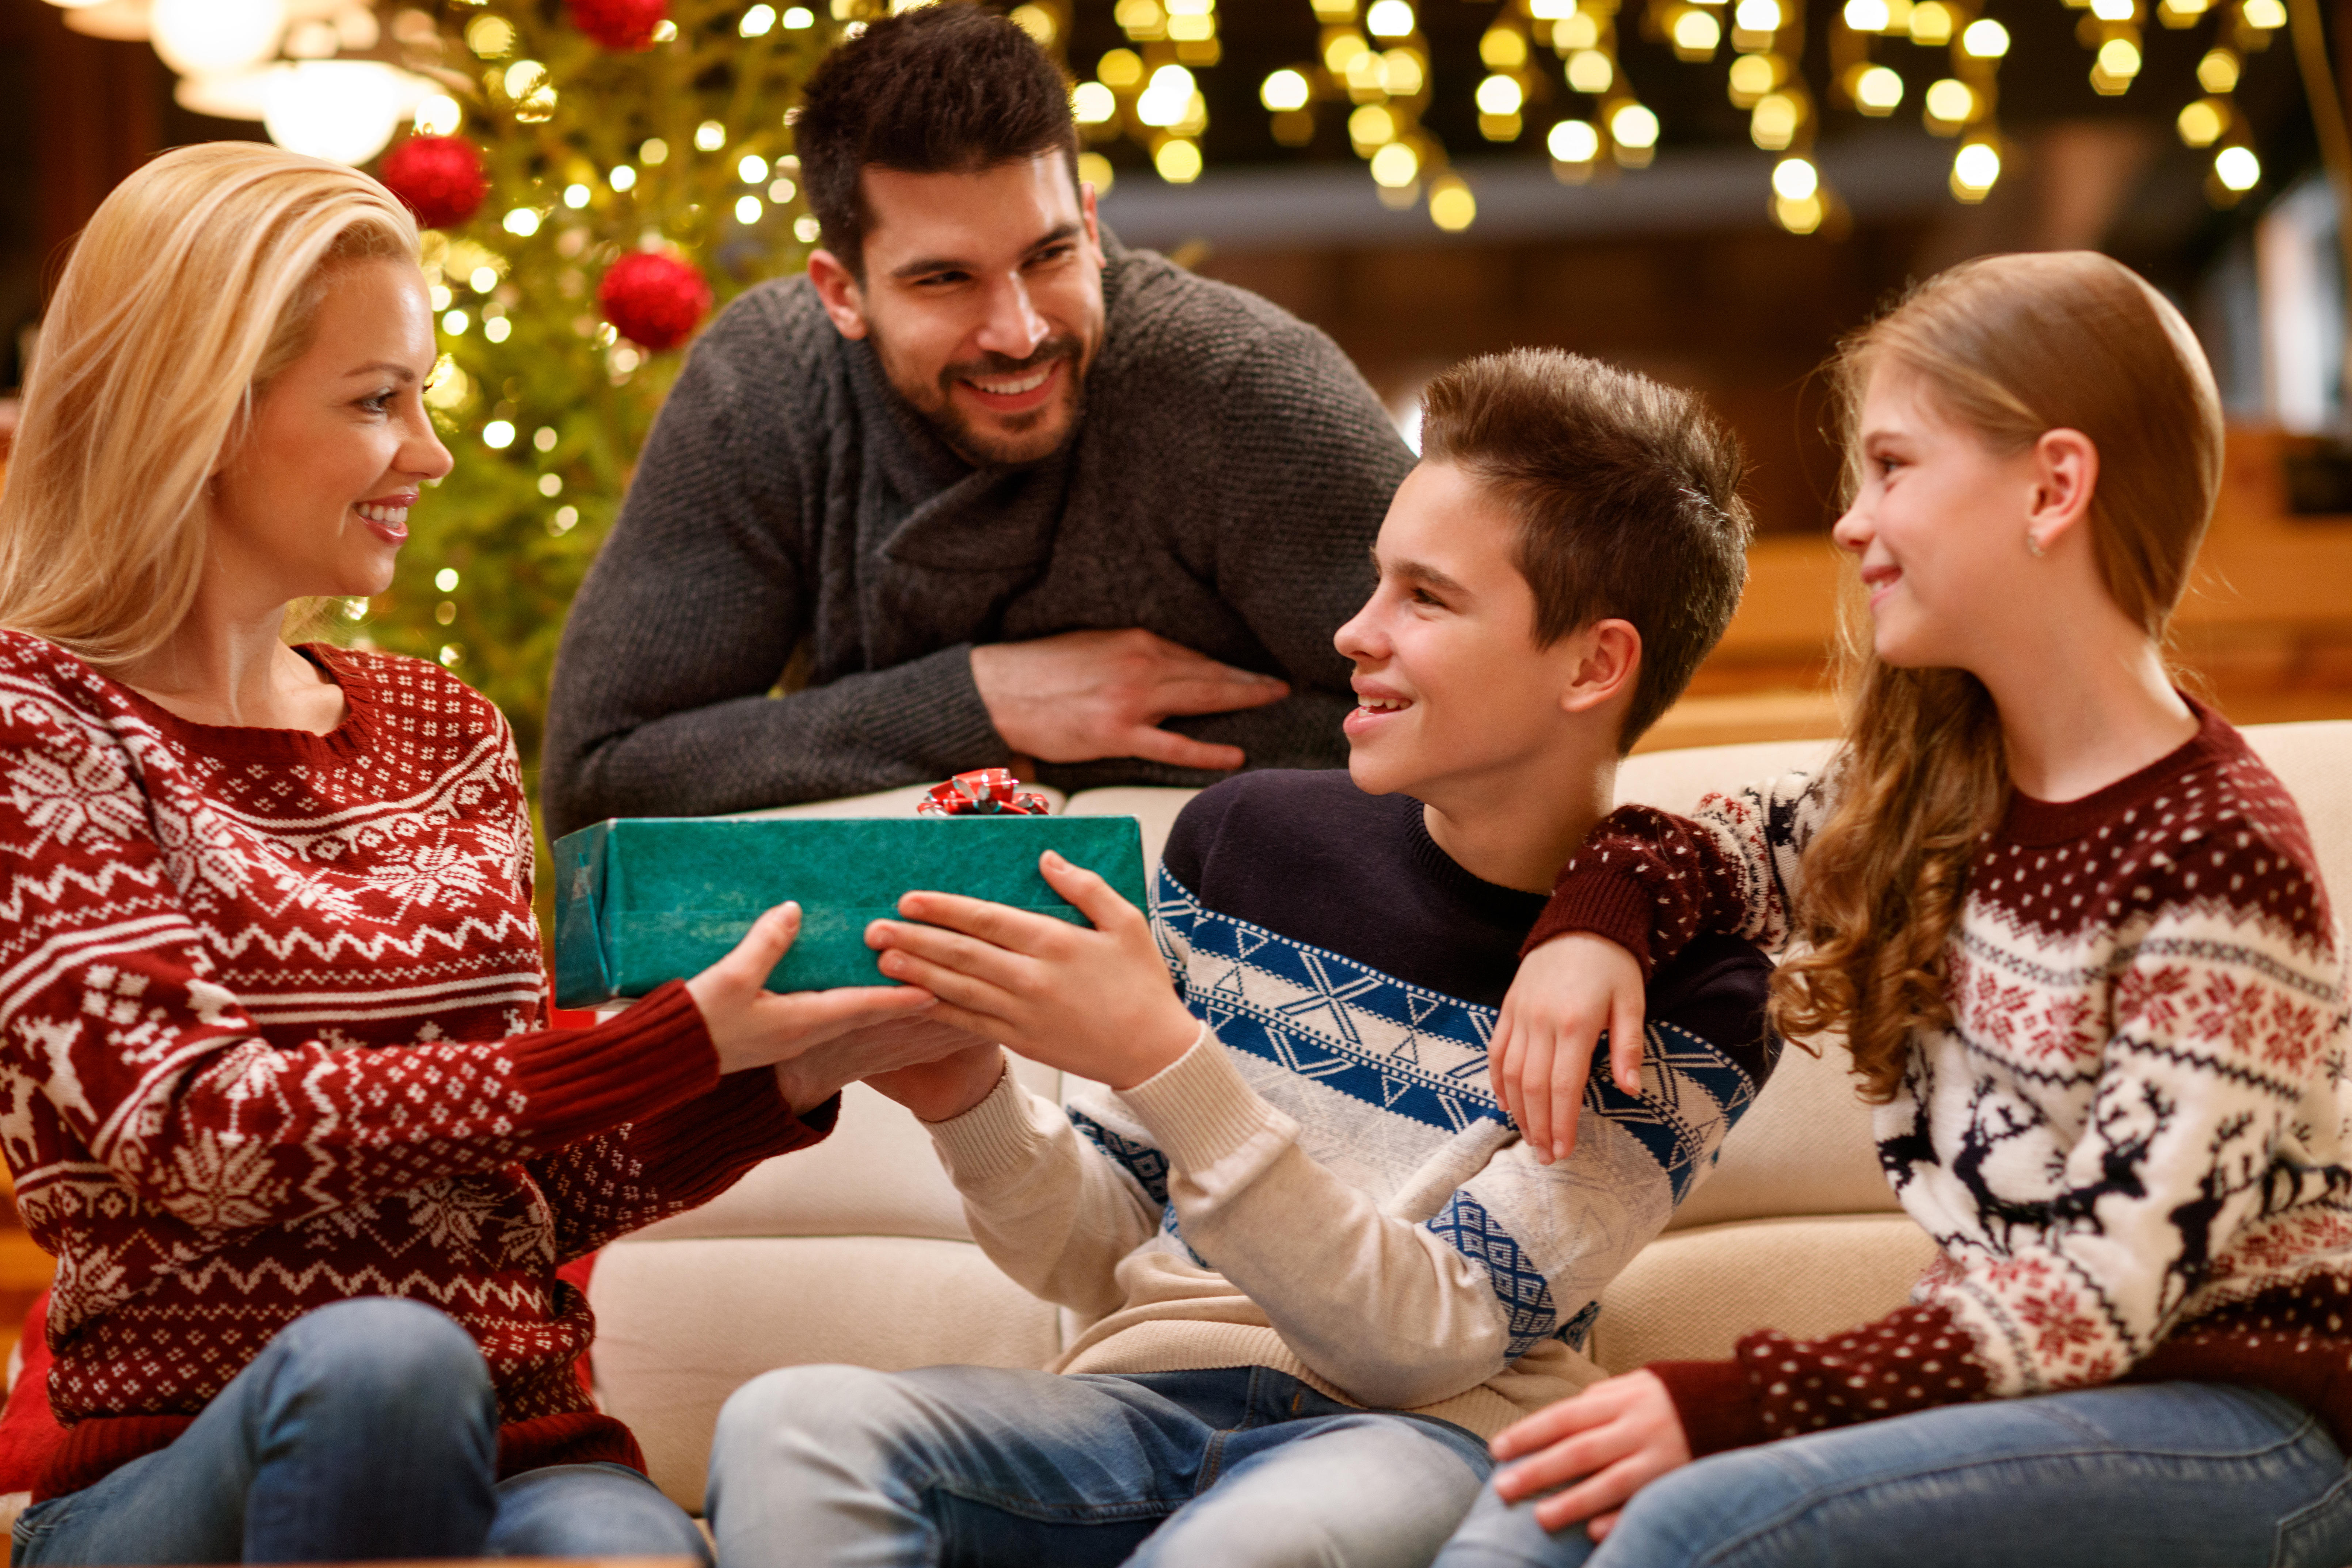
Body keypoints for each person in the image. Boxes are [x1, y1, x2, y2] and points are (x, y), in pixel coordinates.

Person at [0, 142, 964, 1565]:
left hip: (527, 1443)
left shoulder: (441, 730)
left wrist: (782, 1070)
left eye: (422, 397)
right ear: (202, 411)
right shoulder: (44, 721)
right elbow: (188, 1135)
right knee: (382, 1364)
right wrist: (657, 1043)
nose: (429, 453)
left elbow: (522, 1186)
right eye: (376, 400)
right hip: (175, 1475)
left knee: (623, 1548)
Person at [704, 349, 1781, 1568]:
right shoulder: (1245, 841)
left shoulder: (1697, 989)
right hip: (1131, 1405)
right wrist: (963, 1094)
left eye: (1423, 599)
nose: (1353, 632)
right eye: (1376, 583)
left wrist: (1165, 1058)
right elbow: (1108, 1249)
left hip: (1415, 1438)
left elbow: (1429, 1337)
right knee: (790, 1425)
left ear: (1591, 664)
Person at [1443, 252, 2352, 1567]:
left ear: (2052, 486)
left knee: (1686, 1516)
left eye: (1892, 466)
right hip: (2039, 1402)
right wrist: (1592, 920)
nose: (1853, 521)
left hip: (2244, 1423)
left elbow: (2102, 1291)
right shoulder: (1931, 782)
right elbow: (1724, 838)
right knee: (1540, 1503)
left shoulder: (2215, 852)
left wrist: (1732, 1404)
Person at [540, 1, 1413, 840]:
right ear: (842, 294)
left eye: (1049, 255)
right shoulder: (766, 384)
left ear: (1090, 223)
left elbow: (1499, 720)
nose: (1021, 332)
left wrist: (1085, 764)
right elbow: (601, 781)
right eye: (945, 280)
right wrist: (982, 703)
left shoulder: (1242, 384)